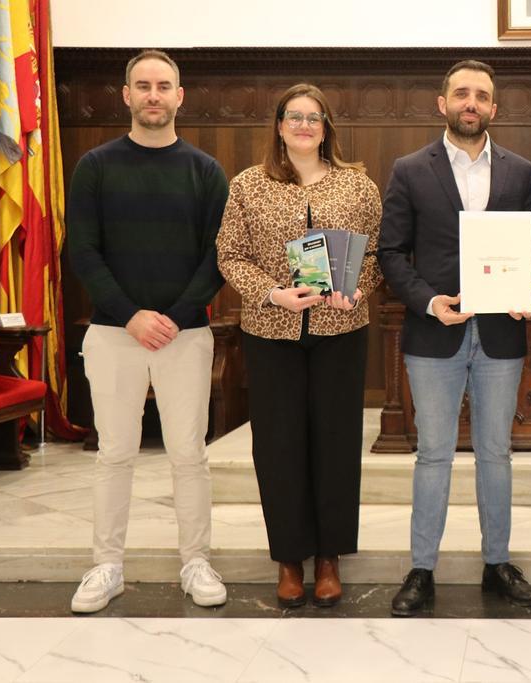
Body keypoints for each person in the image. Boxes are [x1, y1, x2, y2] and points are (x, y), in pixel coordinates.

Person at [377, 60, 531, 617]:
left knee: (497, 452)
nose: (471, 102)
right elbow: (392, 252)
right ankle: (422, 569)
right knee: (433, 454)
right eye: (461, 93)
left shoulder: (520, 171)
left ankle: (497, 563)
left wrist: (530, 284)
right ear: (442, 102)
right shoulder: (408, 169)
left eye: (482, 96)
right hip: (435, 333)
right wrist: (429, 300)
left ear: (495, 108)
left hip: (500, 333)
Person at [66, 49, 229, 613]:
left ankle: (196, 562)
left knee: (189, 454)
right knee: (114, 454)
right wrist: (131, 315)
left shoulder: (205, 170)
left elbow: (218, 257)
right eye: (143, 85)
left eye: (164, 86)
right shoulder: (96, 165)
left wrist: (176, 317)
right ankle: (106, 565)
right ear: (126, 95)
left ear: (180, 96)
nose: (154, 95)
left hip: (185, 334)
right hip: (114, 333)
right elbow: (81, 250)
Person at [216, 83, 382, 608]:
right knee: (279, 446)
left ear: (327, 126)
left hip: (340, 330)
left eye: (314, 118)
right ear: (280, 126)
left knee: (334, 443)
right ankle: (289, 559)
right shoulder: (248, 185)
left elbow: (378, 252)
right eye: (295, 117)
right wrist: (271, 293)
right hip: (272, 333)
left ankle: (330, 557)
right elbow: (230, 254)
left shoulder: (357, 186)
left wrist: (357, 288)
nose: (305, 125)